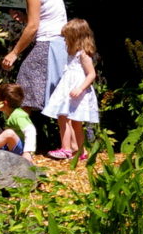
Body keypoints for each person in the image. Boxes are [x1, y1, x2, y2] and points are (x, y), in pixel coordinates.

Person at [0, 0, 69, 150]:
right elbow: (40, 19)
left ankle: (17, 145)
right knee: (56, 94)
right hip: (59, 43)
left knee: (23, 93)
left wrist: (14, 53)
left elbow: (33, 27)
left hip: (47, 44)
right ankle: (68, 146)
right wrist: (23, 19)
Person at [41, 18, 100, 161]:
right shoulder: (72, 53)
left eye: (67, 37)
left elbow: (91, 74)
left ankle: (67, 148)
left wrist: (80, 88)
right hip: (67, 88)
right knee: (69, 119)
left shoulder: (83, 55)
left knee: (70, 119)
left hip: (76, 90)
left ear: (76, 37)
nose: (65, 40)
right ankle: (79, 150)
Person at [0, 83, 35, 162]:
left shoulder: (18, 115)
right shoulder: (11, 113)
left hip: (21, 151)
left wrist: (27, 152)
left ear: (5, 103)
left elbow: (31, 130)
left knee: (9, 133)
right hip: (11, 146)